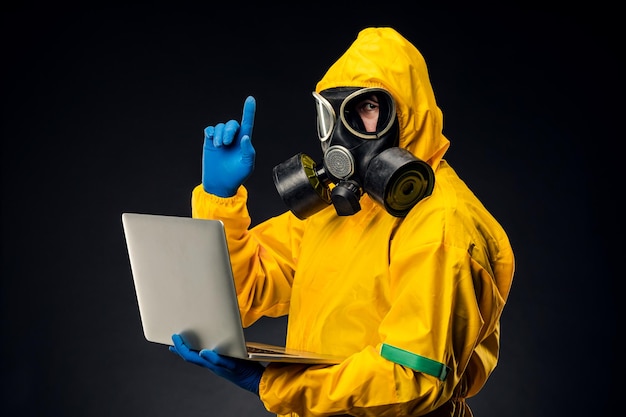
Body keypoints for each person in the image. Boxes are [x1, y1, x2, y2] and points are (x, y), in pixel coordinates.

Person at [169, 27, 515, 417]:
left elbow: (410, 380)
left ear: (406, 114)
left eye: (367, 108)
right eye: (333, 114)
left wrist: (274, 384)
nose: (342, 135)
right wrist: (220, 199)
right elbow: (242, 293)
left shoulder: (443, 226)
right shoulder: (343, 209)